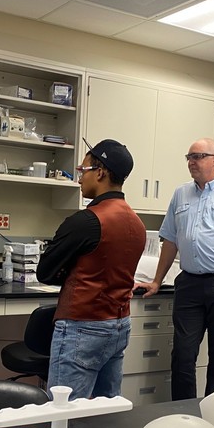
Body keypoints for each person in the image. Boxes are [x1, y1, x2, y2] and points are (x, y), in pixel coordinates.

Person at [135, 138, 214, 399]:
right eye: (189, 157)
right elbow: (171, 239)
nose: (192, 162)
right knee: (182, 354)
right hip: (188, 283)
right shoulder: (181, 193)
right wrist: (156, 281)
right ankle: (182, 411)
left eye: (198, 156)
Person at [37, 138, 146, 400]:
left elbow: (45, 272)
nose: (79, 178)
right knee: (104, 411)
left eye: (82, 170)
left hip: (82, 327)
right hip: (119, 326)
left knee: (65, 413)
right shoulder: (136, 223)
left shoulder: (86, 221)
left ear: (100, 172)